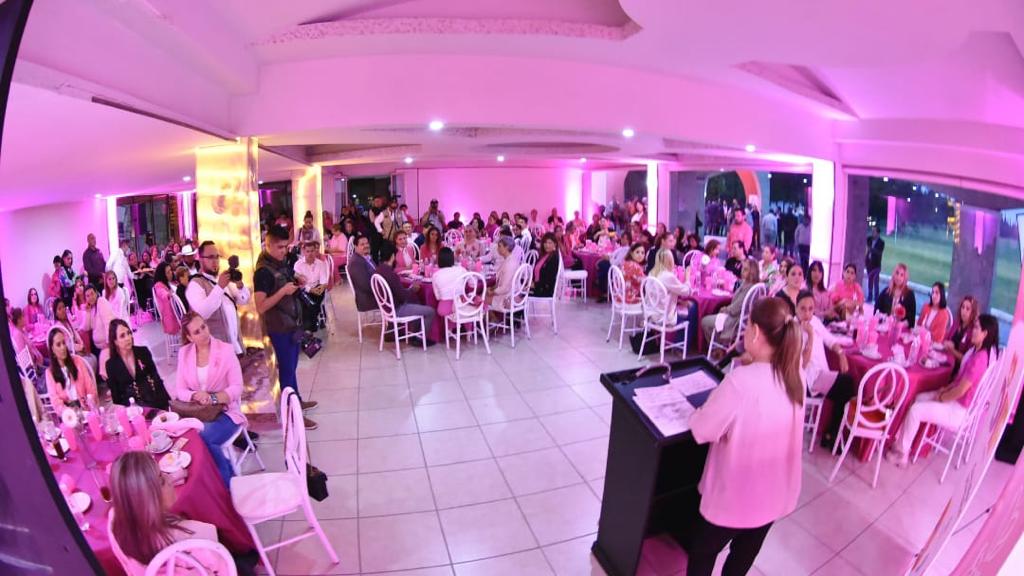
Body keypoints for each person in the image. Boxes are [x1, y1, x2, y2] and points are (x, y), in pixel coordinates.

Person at [687, 297, 803, 576]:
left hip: (735, 496)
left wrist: (698, 411)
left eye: (748, 325)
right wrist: (753, 362)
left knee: (702, 553)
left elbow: (702, 430)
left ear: (756, 332)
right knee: (741, 558)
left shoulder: (740, 383)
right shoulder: (795, 376)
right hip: (772, 495)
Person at [887, 314, 1000, 467]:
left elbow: (961, 390)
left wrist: (941, 397)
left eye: (976, 328)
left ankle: (902, 454)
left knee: (916, 411)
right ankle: (900, 441)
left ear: (985, 333)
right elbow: (959, 382)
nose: (972, 331)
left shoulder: (980, 359)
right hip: (955, 400)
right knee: (918, 398)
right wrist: (944, 389)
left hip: (959, 410)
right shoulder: (977, 351)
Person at [109, 451, 236, 575]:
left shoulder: (113, 520)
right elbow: (222, 568)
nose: (169, 479)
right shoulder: (194, 534)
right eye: (161, 480)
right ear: (150, 498)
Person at [254, 225, 318, 429]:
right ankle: (293, 414)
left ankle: (296, 400)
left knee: (292, 368)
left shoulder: (279, 263)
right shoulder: (263, 272)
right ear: (268, 245)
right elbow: (261, 306)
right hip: (279, 328)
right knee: (287, 371)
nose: (284, 251)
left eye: (286, 247)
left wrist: (296, 280)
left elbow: (286, 279)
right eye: (280, 247)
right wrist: (283, 292)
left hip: (291, 323)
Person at [175, 312, 246, 485]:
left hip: (226, 411)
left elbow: (237, 388)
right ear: (189, 337)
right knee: (187, 440)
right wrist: (195, 395)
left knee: (203, 438)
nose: (204, 333)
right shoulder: (184, 353)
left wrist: (213, 398)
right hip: (198, 412)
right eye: (197, 332)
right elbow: (180, 390)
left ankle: (225, 485)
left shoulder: (225, 350)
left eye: (203, 327)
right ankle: (226, 478)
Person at [792, 291, 857, 450]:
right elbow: (801, 365)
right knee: (847, 385)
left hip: (821, 373)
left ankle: (832, 434)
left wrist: (841, 354)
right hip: (807, 380)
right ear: (796, 308)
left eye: (810, 309)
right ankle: (833, 434)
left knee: (847, 385)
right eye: (803, 309)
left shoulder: (814, 321)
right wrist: (810, 336)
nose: (807, 314)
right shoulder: (793, 329)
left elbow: (829, 339)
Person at [186, 241, 250, 354]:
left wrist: (240, 286)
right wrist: (220, 287)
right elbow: (203, 313)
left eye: (217, 257)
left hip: (236, 345)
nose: (215, 261)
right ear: (200, 260)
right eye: (210, 257)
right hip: (215, 352)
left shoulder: (222, 278)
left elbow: (243, 300)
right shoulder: (195, 284)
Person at [375, 242, 437, 343]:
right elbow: (403, 296)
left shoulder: (379, 270)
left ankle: (412, 333)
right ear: (392, 256)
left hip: (386, 308)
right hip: (397, 308)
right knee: (430, 311)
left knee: (416, 300)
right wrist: (412, 289)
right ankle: (419, 338)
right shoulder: (391, 274)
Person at [105, 319, 170, 410]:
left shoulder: (143, 352)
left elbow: (157, 380)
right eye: (122, 336)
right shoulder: (111, 365)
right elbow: (117, 398)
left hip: (154, 402)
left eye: (129, 333)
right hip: (132, 410)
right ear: (115, 341)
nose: (128, 338)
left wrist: (167, 404)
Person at [702, 259, 760, 351]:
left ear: (752, 272)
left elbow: (735, 309)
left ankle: (716, 348)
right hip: (743, 318)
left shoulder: (749, 287)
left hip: (735, 320)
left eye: (745, 269)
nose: (742, 271)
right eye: (742, 268)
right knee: (716, 314)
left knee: (704, 321)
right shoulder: (750, 285)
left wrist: (724, 309)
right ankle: (718, 345)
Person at [44, 327, 97, 414]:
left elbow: (90, 388)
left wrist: (89, 404)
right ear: (52, 349)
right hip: (68, 414)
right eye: (58, 345)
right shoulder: (50, 373)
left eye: (64, 343)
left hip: (85, 408)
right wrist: (69, 412)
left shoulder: (77, 361)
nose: (63, 347)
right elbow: (56, 402)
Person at [293, 241, 330, 332]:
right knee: (309, 304)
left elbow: (324, 281)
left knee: (314, 302)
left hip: (318, 289)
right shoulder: (298, 265)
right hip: (304, 290)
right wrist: (310, 290)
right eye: (308, 251)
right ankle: (311, 327)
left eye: (312, 251)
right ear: (304, 252)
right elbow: (299, 284)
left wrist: (319, 289)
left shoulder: (321, 264)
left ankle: (309, 328)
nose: (310, 254)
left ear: (316, 251)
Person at [346, 234, 380, 319]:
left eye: (367, 243)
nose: (366, 246)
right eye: (362, 244)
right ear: (356, 247)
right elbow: (365, 285)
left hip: (373, 293)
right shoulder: (356, 262)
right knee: (397, 295)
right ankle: (396, 321)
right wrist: (382, 289)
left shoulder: (365, 257)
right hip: (368, 299)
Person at [944, 295, 979, 363]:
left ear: (973, 312)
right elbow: (946, 339)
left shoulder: (973, 332)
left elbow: (967, 359)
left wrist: (952, 350)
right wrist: (946, 343)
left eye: (967, 309)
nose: (964, 311)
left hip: (957, 365)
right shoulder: (956, 323)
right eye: (962, 307)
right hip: (945, 358)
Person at [487, 237, 520, 308]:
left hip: (508, 298)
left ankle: (491, 314)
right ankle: (491, 314)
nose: (497, 248)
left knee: (480, 298)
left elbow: (505, 288)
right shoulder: (510, 259)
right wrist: (492, 288)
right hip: (510, 293)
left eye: (499, 246)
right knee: (483, 293)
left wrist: (492, 292)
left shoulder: (510, 264)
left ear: (506, 247)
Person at [82, 285, 115, 356]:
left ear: (96, 293)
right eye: (87, 296)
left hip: (106, 346)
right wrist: (88, 312)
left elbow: (109, 323)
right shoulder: (92, 307)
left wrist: (109, 344)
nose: (91, 297)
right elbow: (86, 328)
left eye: (92, 293)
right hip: (98, 347)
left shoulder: (101, 301)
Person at [530, 233, 561, 298]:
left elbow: (549, 280)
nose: (547, 245)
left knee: (518, 295)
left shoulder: (554, 258)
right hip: (538, 287)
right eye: (545, 243)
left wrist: (535, 285)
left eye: (550, 243)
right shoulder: (544, 255)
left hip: (545, 291)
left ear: (555, 244)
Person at [865, 226, 885, 302]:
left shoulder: (881, 242)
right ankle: (870, 297)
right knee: (870, 281)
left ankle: (877, 299)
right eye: (872, 231)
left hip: (876, 265)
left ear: (878, 233)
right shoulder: (869, 239)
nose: (872, 233)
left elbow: (879, 253)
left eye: (874, 231)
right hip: (869, 264)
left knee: (875, 282)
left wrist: (871, 250)